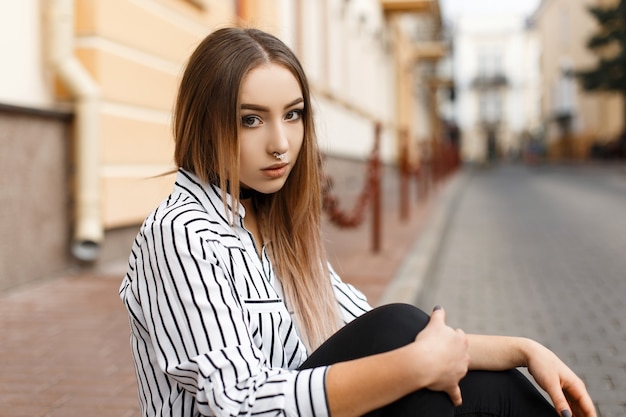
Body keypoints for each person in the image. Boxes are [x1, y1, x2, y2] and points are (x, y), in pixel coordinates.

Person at [119, 27, 596, 417]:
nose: (281, 143)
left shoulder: (273, 231)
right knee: (404, 348)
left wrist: (523, 348)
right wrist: (412, 367)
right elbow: (238, 406)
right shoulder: (180, 233)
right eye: (251, 120)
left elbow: (368, 326)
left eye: (293, 115)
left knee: (477, 383)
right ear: (205, 122)